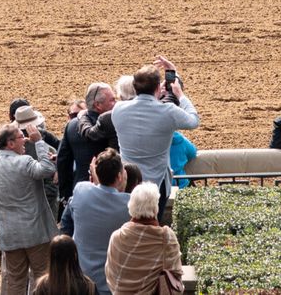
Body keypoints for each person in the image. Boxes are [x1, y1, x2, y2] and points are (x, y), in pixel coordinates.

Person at [109, 58, 200, 221]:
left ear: (135, 88)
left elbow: (144, 113)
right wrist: (180, 94)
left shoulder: (118, 109)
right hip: (157, 184)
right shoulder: (168, 111)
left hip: (127, 181)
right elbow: (193, 121)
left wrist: (158, 98)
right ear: (158, 88)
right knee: (152, 224)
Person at [0, 124, 57, 295]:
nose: (24, 140)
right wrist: (39, 141)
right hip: (36, 232)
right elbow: (47, 169)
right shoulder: (24, 162)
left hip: (9, 233)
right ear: (10, 144)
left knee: (15, 281)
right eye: (20, 137)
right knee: (42, 276)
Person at [60, 150, 130, 295]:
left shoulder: (81, 190)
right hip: (112, 285)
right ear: (119, 176)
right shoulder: (129, 204)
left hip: (82, 282)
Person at [104, 183, 183, 295]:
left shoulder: (117, 237)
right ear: (156, 207)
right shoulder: (166, 237)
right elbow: (176, 276)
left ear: (131, 205)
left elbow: (110, 275)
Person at [60, 83, 114, 204]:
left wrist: (65, 195)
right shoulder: (110, 125)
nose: (115, 104)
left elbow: (63, 161)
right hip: (108, 192)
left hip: (78, 191)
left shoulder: (71, 125)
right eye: (112, 100)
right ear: (98, 105)